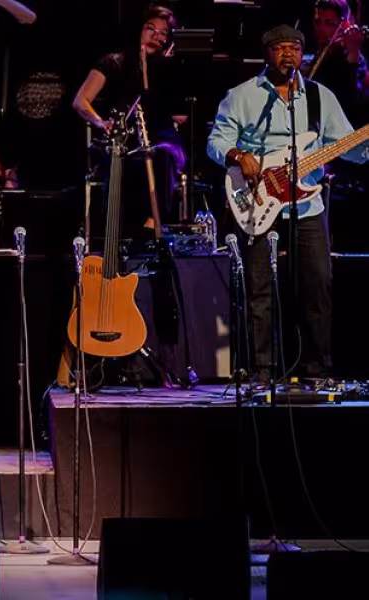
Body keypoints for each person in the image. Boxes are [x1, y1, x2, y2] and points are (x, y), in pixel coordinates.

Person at [206, 24, 369, 386]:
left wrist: (364, 145)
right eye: (280, 48)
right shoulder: (243, 95)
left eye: (294, 48)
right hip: (258, 201)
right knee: (259, 289)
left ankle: (318, 371)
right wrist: (237, 154)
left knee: (318, 286)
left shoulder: (318, 97)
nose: (288, 54)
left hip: (307, 206)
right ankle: (262, 373)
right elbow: (215, 142)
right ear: (266, 53)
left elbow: (346, 146)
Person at [72, 4, 186, 239]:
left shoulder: (168, 70)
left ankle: (152, 225)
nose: (156, 36)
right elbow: (81, 101)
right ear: (139, 30)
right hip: (122, 137)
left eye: (163, 33)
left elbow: (180, 114)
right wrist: (100, 122)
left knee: (164, 154)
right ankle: (114, 235)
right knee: (120, 161)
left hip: (159, 138)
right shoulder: (114, 62)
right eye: (150, 29)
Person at [303, 0, 367, 123]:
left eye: (329, 23)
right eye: (317, 22)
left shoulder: (350, 58)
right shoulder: (320, 53)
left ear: (344, 25)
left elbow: (351, 100)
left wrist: (353, 53)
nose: (320, 28)